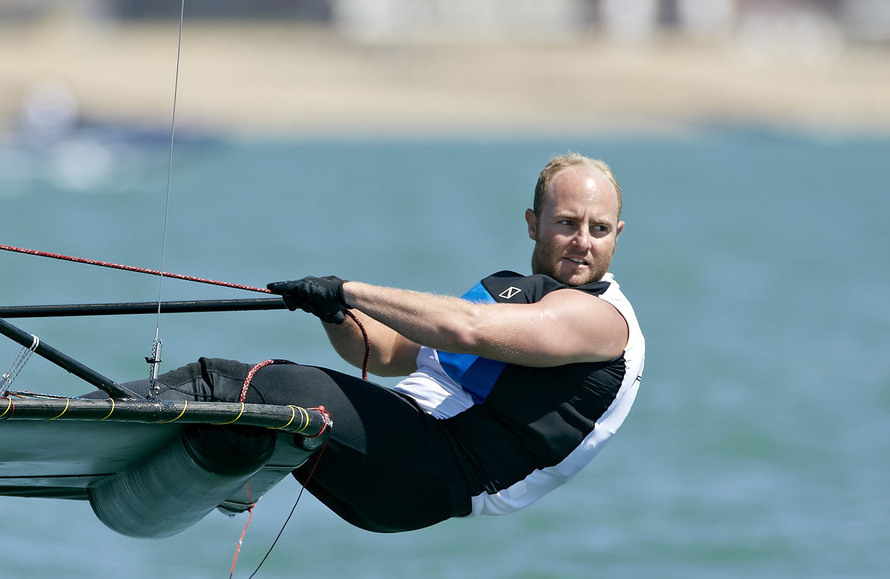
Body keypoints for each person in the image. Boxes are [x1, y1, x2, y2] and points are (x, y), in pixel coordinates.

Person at [146, 152, 645, 532]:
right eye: (566, 223)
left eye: (599, 229)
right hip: (400, 461)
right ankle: (205, 470)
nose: (583, 241)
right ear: (533, 223)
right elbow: (383, 354)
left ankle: (89, 415)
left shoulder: (603, 320)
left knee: (250, 381)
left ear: (617, 235)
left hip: (443, 469)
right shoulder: (527, 301)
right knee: (263, 414)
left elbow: (463, 328)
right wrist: (337, 313)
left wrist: (350, 289)